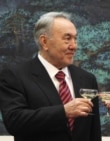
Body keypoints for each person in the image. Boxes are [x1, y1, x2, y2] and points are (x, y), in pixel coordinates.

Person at [0, 12, 101, 141]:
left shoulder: (87, 79)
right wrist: (63, 112)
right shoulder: (15, 75)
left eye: (75, 39)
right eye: (67, 38)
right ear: (44, 42)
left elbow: (94, 133)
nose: (74, 46)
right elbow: (14, 121)